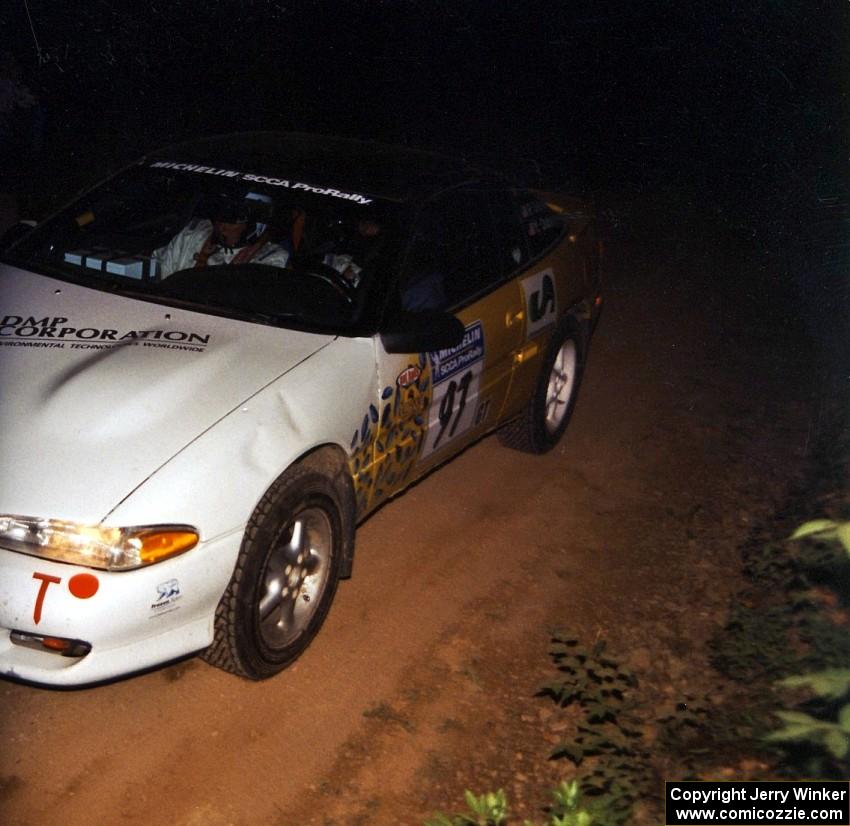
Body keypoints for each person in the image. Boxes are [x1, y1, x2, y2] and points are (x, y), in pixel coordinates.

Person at [153, 191, 290, 278]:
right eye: (218, 216)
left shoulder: (271, 258)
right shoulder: (192, 235)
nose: (221, 226)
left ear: (253, 225)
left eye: (230, 220)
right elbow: (158, 270)